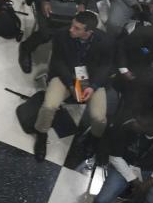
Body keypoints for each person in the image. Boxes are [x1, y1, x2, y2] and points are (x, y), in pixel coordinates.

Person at [32, 11, 113, 162]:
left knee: (99, 118)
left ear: (88, 32)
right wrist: (70, 84)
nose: (71, 29)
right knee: (49, 106)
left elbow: (106, 66)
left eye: (77, 28)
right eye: (72, 25)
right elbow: (57, 62)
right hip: (66, 75)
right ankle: (41, 134)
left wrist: (93, 86)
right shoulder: (61, 35)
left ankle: (93, 138)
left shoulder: (105, 41)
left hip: (91, 79)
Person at [94, 114, 153, 203]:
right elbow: (114, 157)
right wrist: (135, 181)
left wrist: (147, 185)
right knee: (101, 200)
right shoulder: (126, 127)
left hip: (150, 173)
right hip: (124, 167)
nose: (135, 124)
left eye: (140, 124)